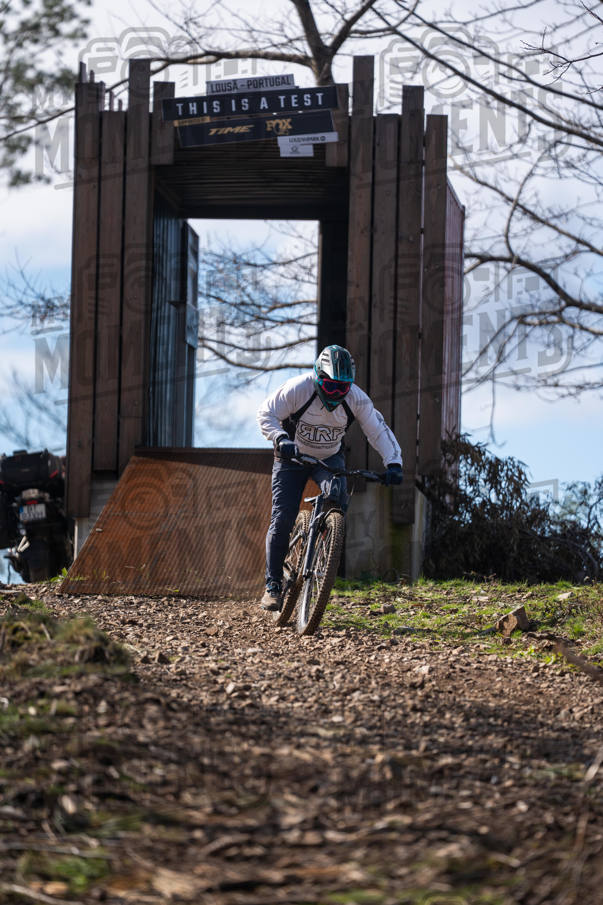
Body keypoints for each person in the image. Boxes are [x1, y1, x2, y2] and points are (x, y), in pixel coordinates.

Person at [256, 344, 403, 611]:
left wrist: (393, 462)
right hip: (291, 458)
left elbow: (378, 431)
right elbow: (266, 413)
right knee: (283, 517)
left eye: (342, 388)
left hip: (329, 458)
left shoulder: (357, 399)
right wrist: (280, 438)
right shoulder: (298, 388)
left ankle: (322, 549)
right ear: (316, 377)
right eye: (330, 386)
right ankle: (273, 584)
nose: (336, 394)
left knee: (336, 498)